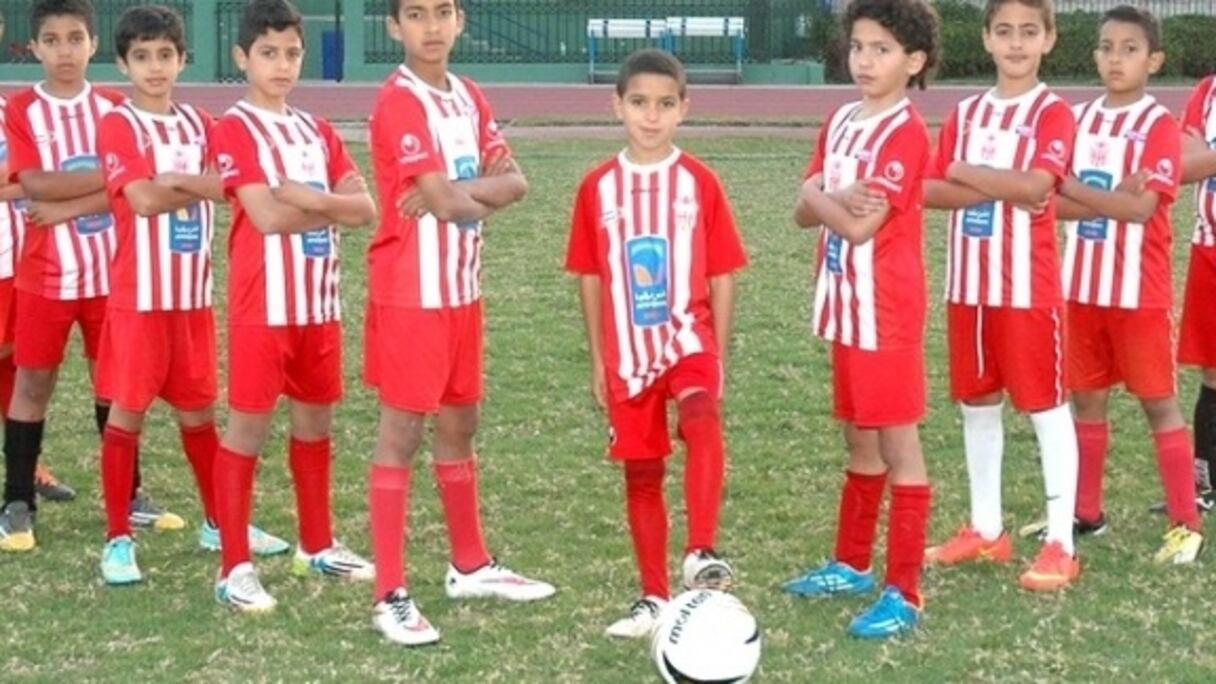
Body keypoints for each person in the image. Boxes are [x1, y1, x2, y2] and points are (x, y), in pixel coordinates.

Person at [365, 0, 555, 646]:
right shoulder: (399, 101)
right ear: (394, 27)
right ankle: (389, 592)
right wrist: (457, 194)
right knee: (402, 433)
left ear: (461, 19)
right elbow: (443, 201)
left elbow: (516, 183)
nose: (432, 26)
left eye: (442, 11)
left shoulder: (469, 95)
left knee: (460, 422)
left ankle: (469, 564)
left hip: (462, 288)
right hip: (411, 291)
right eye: (415, 14)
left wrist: (456, 191)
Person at [94, 4, 289, 586]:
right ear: (125, 64)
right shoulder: (118, 125)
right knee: (126, 416)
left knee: (200, 414)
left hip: (192, 297)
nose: (155, 67)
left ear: (183, 59)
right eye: (142, 57)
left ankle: (217, 522)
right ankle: (118, 538)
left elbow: (231, 187)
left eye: (165, 55)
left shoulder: (202, 125)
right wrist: (192, 185)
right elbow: (143, 201)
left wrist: (176, 180)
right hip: (138, 299)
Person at [566, 48, 747, 640]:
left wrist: (716, 350)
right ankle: (653, 598)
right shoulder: (597, 187)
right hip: (626, 352)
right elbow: (590, 276)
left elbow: (722, 272)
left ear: (683, 109)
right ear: (616, 105)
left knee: (703, 416)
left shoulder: (699, 182)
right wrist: (597, 357)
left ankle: (700, 550)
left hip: (687, 337)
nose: (651, 116)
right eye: (639, 103)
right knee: (642, 475)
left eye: (665, 104)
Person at [210, 0, 377, 612]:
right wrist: (328, 202)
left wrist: (311, 196)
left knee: (316, 425)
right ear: (242, 57)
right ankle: (234, 567)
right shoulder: (233, 128)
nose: (282, 65)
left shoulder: (317, 130)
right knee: (248, 429)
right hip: (262, 308)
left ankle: (317, 543)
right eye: (268, 53)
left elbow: (367, 210)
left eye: (292, 53)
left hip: (318, 302)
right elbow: (265, 215)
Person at [781, 0, 938, 640]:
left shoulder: (905, 133)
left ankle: (904, 591)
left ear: (914, 61)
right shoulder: (841, 119)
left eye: (881, 49)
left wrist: (820, 195)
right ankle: (851, 561)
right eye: (858, 46)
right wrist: (822, 197)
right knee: (859, 438)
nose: (865, 60)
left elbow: (857, 223)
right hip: (844, 308)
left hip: (887, 313)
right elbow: (802, 213)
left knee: (900, 445)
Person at [923, 0, 1081, 592]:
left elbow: (1037, 187)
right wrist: (989, 183)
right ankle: (987, 527)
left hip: (1027, 289)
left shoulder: (1052, 113)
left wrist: (967, 170)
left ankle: (1061, 541)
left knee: (1045, 407)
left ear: (1049, 40)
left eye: (1029, 33)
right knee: (976, 405)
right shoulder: (964, 112)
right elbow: (931, 190)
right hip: (968, 285)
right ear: (987, 39)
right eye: (1005, 32)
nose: (1016, 43)